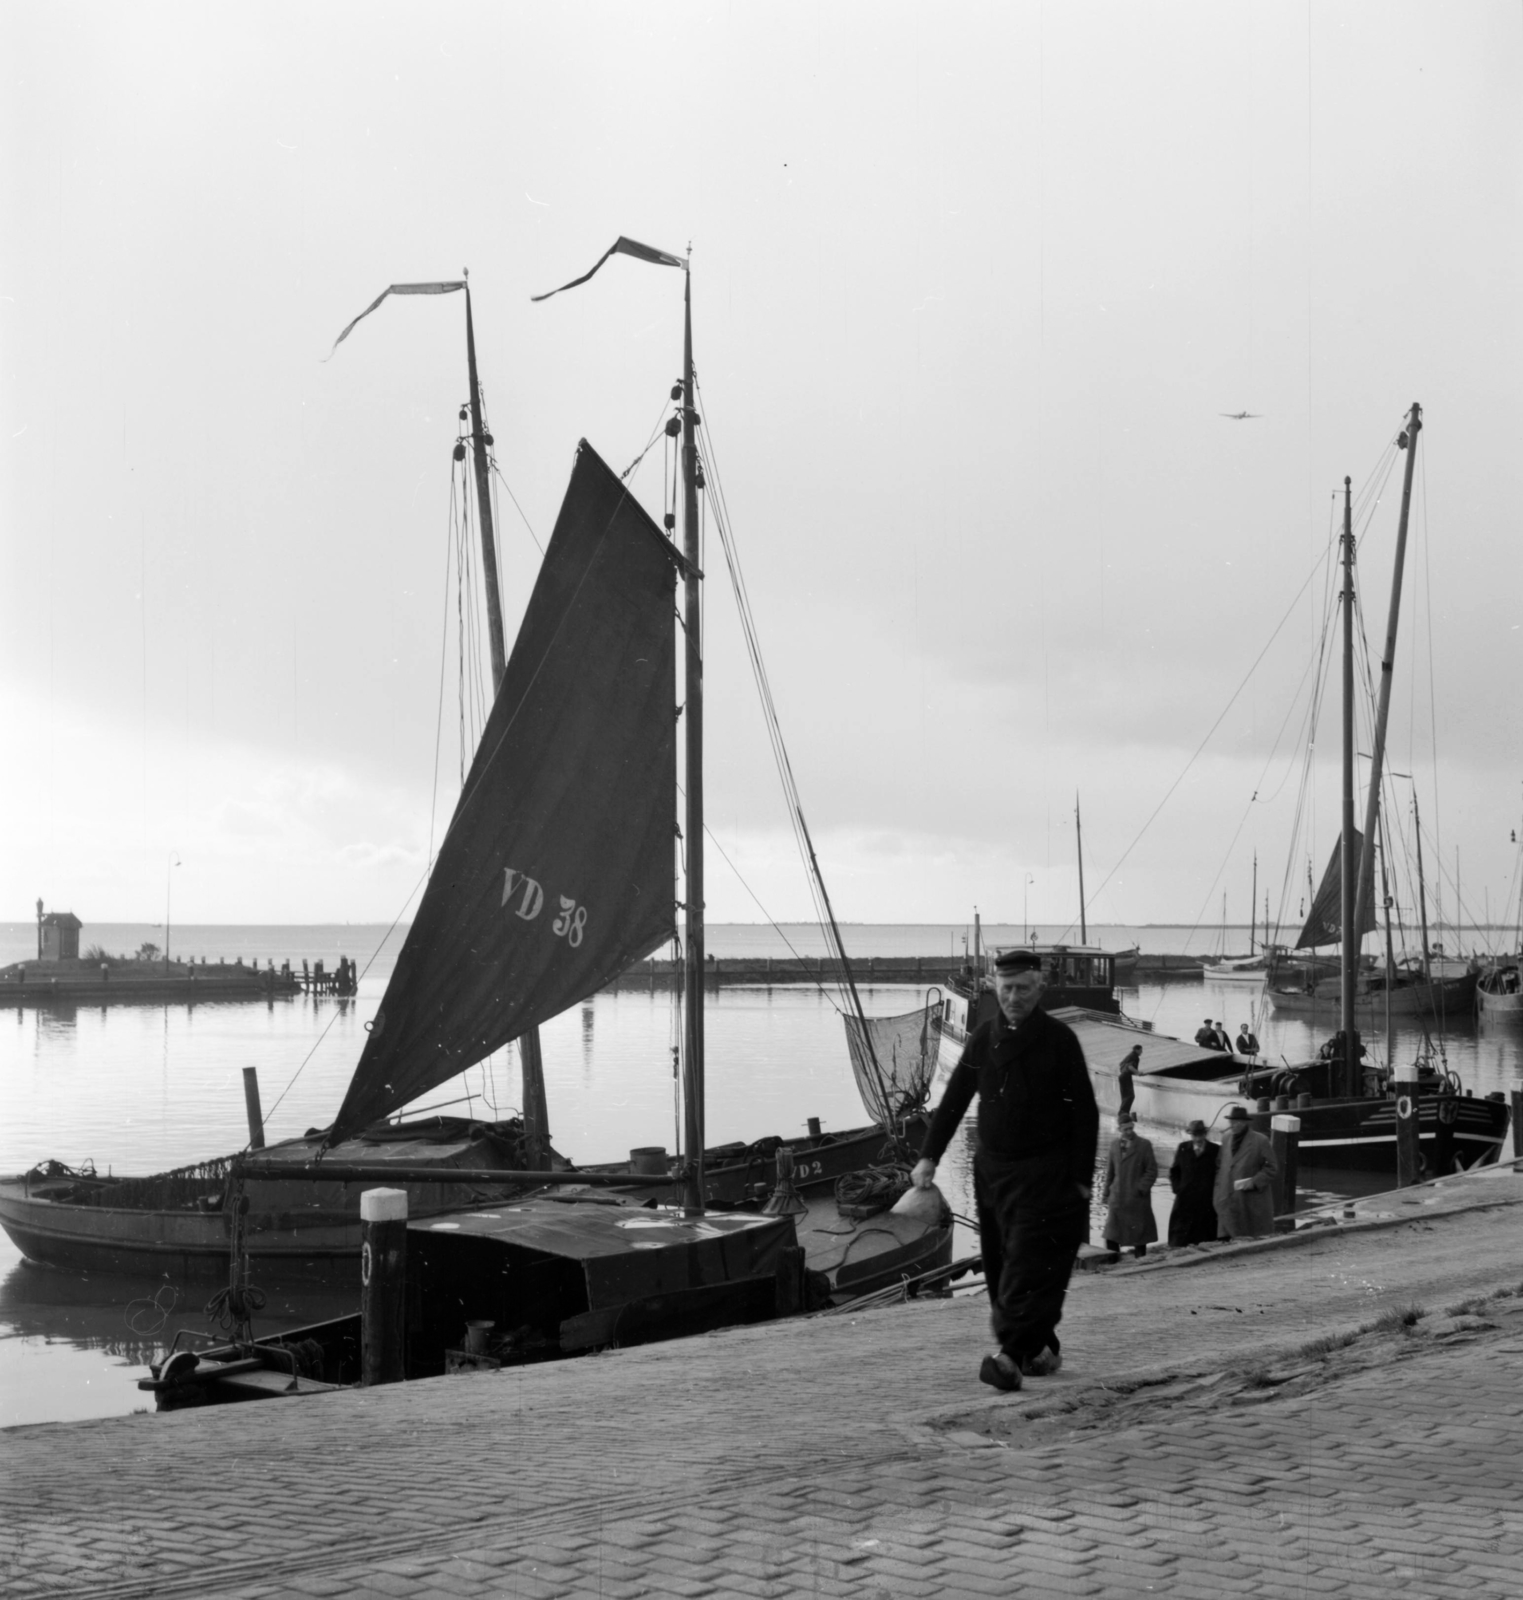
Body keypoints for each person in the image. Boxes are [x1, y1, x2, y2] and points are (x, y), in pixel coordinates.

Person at [911, 949, 1099, 1394]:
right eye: (1007, 988)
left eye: (1023, 989)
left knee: (1028, 1265)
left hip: (1045, 1174)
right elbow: (954, 1098)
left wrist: (1080, 1180)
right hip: (992, 1173)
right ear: (995, 987)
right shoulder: (981, 1040)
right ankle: (1042, 1346)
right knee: (999, 1267)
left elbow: (1085, 1114)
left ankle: (1010, 1358)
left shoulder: (1059, 1041)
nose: (1014, 997)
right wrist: (929, 1156)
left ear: (1039, 989)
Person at [1212, 1105, 1278, 1240]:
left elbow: (1272, 1167)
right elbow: (1220, 1165)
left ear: (1245, 1123)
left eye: (1237, 1122)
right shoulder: (1226, 1138)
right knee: (1227, 1234)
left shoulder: (1260, 1141)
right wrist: (1218, 1191)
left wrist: (1254, 1182)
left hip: (1249, 1200)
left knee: (1249, 1235)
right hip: (1227, 1197)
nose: (1233, 1125)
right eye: (1231, 1122)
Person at [1101, 1112, 1157, 1259]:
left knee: (1139, 1235)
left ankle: (1140, 1260)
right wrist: (1106, 1193)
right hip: (1117, 1198)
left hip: (1137, 1200)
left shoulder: (1144, 1145)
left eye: (1131, 1128)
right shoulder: (1114, 1146)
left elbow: (1152, 1171)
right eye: (1125, 1129)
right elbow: (1110, 1173)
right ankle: (1113, 1262)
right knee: (1111, 1234)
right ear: (1119, 1130)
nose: (1129, 1132)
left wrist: (1140, 1189)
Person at [1168, 1119, 1219, 1245]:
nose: (1197, 1138)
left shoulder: (1215, 1150)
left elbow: (1219, 1173)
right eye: (1194, 1135)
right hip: (1185, 1199)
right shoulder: (1183, 1148)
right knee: (1180, 1235)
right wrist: (1178, 1189)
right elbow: (1175, 1171)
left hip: (1205, 1201)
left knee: (1204, 1234)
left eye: (1200, 1134)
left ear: (1205, 1134)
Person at [1117, 1044, 1142, 1115]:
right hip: (1126, 1076)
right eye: (1140, 1050)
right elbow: (1129, 1067)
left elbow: (1121, 1064)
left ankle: (1124, 1113)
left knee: (1125, 1096)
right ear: (1137, 1050)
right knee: (1130, 1096)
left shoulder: (1129, 1056)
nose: (1141, 1052)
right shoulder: (1134, 1056)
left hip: (1122, 1076)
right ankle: (1123, 1112)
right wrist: (1138, 1072)